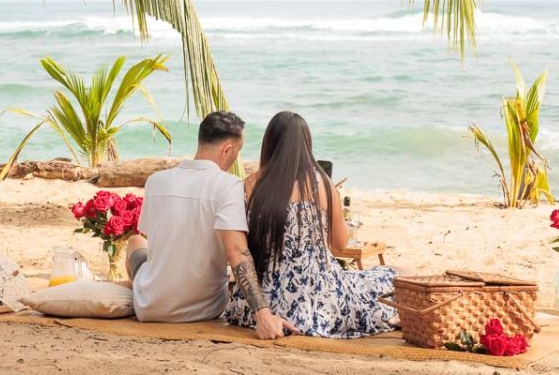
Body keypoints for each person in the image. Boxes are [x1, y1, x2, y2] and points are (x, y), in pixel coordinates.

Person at [224, 111, 397, 337]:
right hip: (318, 297)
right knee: (390, 276)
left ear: (269, 143)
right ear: (306, 145)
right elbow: (340, 245)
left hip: (263, 303)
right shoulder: (322, 184)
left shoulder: (248, 185)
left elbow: (240, 249)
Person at [126, 110, 296, 339]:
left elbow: (154, 237)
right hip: (204, 309)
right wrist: (262, 314)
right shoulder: (228, 185)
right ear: (227, 149)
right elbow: (237, 252)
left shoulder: (155, 181)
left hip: (150, 307)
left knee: (136, 241)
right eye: (238, 151)